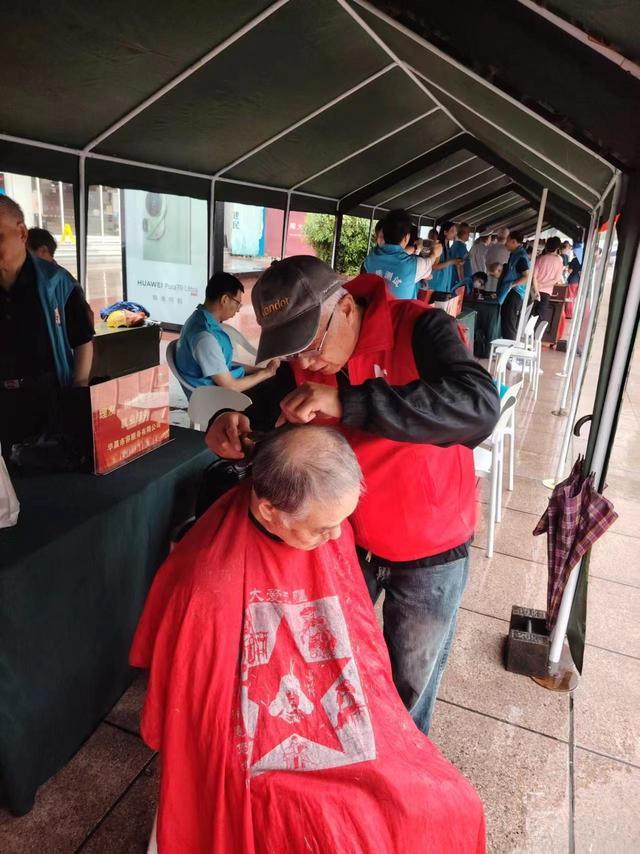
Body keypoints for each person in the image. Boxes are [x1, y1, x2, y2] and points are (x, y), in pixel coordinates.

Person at [132, 425, 486, 853]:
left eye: (341, 522)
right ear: (267, 512)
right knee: (338, 829)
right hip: (264, 743)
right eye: (322, 528)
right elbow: (199, 719)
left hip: (332, 707)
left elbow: (361, 652)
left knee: (448, 802)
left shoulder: (322, 532)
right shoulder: (206, 583)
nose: (337, 538)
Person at [205, 255, 500, 735]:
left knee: (409, 685)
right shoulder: (309, 359)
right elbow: (264, 411)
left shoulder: (420, 328)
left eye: (311, 344)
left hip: (430, 547)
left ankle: (402, 785)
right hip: (344, 544)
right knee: (338, 670)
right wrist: (227, 422)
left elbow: (478, 408)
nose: (305, 363)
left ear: (344, 309)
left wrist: (352, 401)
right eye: (292, 350)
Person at [0, 195, 94, 388]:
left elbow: (82, 340)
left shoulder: (58, 283)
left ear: (22, 233)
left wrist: (79, 384)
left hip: (49, 395)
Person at [175, 271, 279, 395]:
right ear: (224, 299)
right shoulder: (204, 338)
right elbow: (231, 387)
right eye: (237, 303)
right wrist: (265, 373)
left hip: (221, 385)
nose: (238, 309)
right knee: (276, 388)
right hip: (216, 398)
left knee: (278, 377)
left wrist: (259, 371)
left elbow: (222, 364)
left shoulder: (199, 318)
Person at [362, 209, 434, 300]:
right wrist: (435, 253)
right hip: (402, 313)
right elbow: (430, 262)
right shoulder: (413, 265)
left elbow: (396, 256)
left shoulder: (370, 259)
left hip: (375, 312)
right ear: (406, 237)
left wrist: (415, 248)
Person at [497, 231, 531, 340]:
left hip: (515, 294)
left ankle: (509, 353)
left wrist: (512, 285)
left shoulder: (521, 257)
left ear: (513, 241)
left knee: (509, 325)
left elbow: (526, 276)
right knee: (506, 322)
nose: (505, 243)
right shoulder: (514, 254)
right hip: (510, 292)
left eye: (507, 240)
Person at [532, 236, 564, 327]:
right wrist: (542, 286)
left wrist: (537, 288)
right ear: (557, 248)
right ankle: (533, 338)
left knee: (531, 315)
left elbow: (534, 277)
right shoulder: (559, 262)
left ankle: (526, 336)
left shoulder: (539, 259)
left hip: (534, 291)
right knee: (540, 317)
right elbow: (556, 280)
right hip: (546, 293)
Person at [428, 221, 464, 297]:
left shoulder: (447, 247)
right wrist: (452, 262)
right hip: (436, 285)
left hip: (444, 285)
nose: (455, 233)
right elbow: (434, 266)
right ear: (445, 232)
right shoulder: (438, 246)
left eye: (455, 231)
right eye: (452, 231)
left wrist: (456, 262)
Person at [449, 223, 473, 292]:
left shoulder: (458, 245)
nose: (469, 235)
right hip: (458, 281)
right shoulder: (460, 246)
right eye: (468, 233)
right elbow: (459, 265)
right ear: (463, 233)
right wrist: (462, 283)